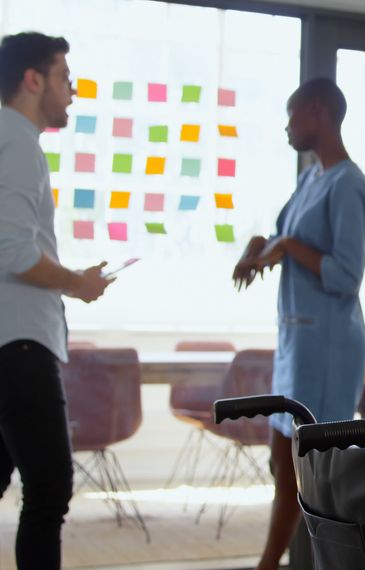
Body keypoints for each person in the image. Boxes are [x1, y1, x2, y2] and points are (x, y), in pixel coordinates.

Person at [232, 77, 365, 570]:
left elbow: (346, 274)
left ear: (318, 111)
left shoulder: (348, 182)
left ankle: (277, 565)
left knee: (311, 481)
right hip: (298, 343)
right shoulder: (312, 178)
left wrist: (285, 248)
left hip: (329, 347)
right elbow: (286, 237)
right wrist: (261, 244)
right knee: (281, 466)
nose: (287, 127)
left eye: (292, 116)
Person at [0, 32, 113, 569]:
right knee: (49, 487)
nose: (72, 90)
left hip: (9, 343)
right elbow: (16, 253)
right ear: (33, 79)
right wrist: (79, 283)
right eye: (65, 77)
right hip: (19, 345)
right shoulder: (17, 142)